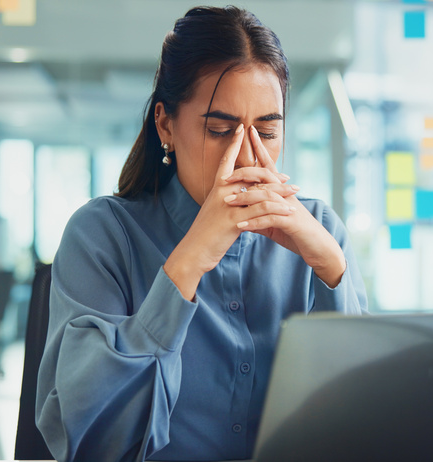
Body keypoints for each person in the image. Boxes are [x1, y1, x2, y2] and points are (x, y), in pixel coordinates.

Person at [36, 6, 368, 462]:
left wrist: (332, 269)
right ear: (165, 125)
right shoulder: (102, 235)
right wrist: (188, 262)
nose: (248, 156)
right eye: (219, 130)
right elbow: (91, 439)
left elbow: (361, 423)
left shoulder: (321, 230)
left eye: (268, 131)